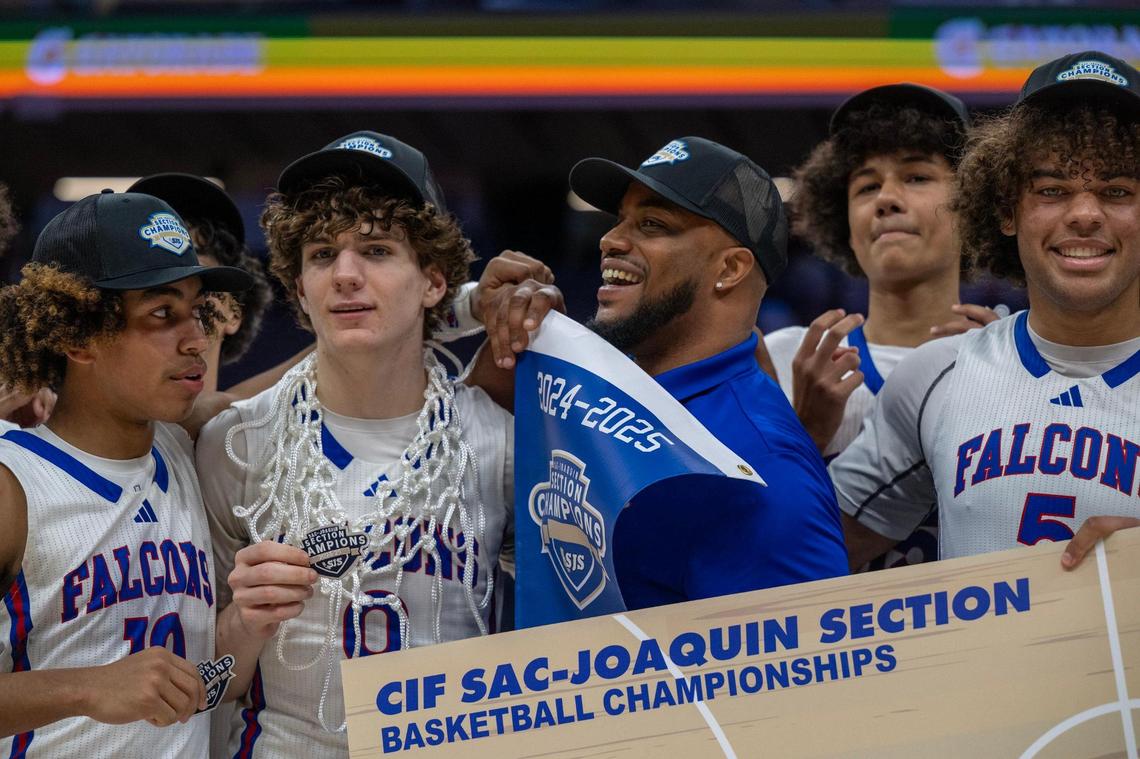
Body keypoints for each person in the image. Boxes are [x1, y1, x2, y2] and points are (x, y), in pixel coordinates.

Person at [195, 131, 515, 756]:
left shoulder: (498, 441)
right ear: (299, 289)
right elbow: (205, 688)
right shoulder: (235, 444)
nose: (345, 275)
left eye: (376, 250)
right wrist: (240, 625)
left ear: (432, 284)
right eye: (321, 255)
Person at [482, 136, 848, 609]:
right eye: (621, 222)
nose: (610, 240)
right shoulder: (605, 397)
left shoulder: (758, 469)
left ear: (731, 268)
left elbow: (801, 674)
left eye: (652, 224)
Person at [833, 50, 1140, 572]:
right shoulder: (935, 375)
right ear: (1005, 211)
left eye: (1116, 191)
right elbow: (806, 555)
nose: (1085, 214)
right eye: (1052, 190)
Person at [0, 190, 252, 754]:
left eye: (195, 311)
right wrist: (85, 687)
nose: (195, 339)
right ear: (75, 336)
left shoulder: (187, 443)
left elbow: (316, 386)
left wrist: (460, 309)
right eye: (162, 314)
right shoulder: (13, 484)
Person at [766, 83, 994, 571]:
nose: (886, 199)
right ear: (845, 223)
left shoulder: (1021, 355)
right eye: (867, 186)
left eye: (916, 177)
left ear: (972, 204)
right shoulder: (784, 357)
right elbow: (744, 548)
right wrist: (803, 432)